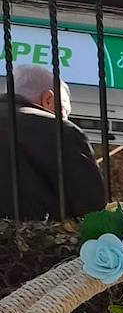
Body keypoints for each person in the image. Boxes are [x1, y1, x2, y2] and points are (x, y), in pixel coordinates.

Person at [0, 64, 104, 221]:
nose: (66, 118)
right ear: (48, 99)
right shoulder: (60, 131)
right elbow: (93, 211)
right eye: (65, 111)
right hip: (34, 241)